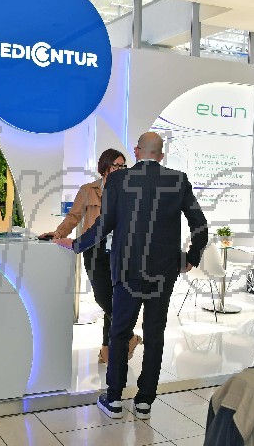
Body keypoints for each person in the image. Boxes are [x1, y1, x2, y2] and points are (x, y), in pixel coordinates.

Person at [55, 132, 208, 420]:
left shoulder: (118, 180)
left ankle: (114, 399)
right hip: (164, 269)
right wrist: (191, 257)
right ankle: (144, 402)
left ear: (137, 152)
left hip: (127, 268)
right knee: (155, 333)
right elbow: (200, 224)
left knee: (120, 330)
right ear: (161, 155)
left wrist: (76, 245)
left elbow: (104, 225)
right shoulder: (178, 180)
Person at [40, 149, 141, 364]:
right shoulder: (88, 190)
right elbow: (73, 217)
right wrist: (58, 234)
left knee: (114, 300)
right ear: (104, 167)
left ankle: (107, 350)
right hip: (94, 248)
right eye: (115, 165)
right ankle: (129, 336)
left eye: (123, 166)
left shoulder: (130, 190)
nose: (120, 169)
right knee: (102, 298)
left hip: (121, 250)